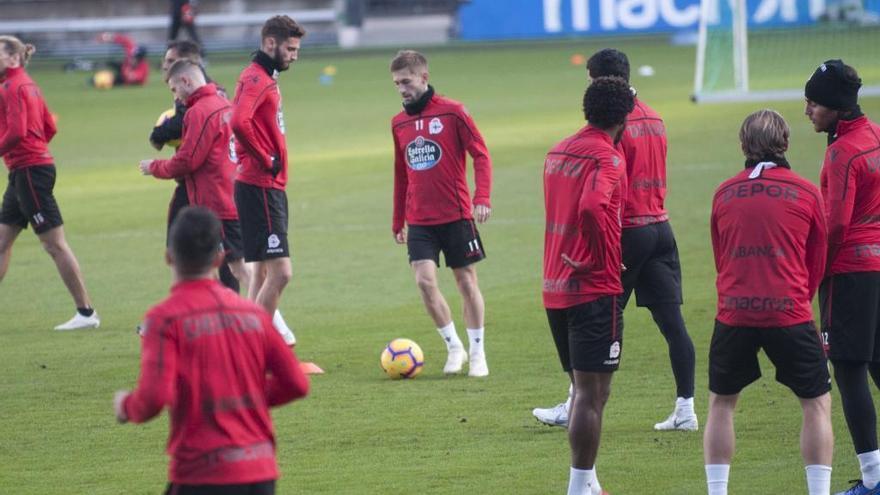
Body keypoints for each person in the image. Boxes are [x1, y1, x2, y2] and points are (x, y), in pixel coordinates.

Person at [533, 48, 697, 432]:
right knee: (673, 323)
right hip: (661, 227)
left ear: (600, 79)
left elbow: (603, 186)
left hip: (626, 233)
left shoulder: (613, 124)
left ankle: (576, 403)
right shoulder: (655, 118)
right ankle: (686, 408)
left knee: (595, 325)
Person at [113, 206, 309, 495]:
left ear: (169, 257)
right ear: (219, 258)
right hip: (260, 472)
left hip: (202, 474)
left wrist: (126, 406)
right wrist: (247, 397)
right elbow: (297, 383)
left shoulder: (165, 318)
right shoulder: (253, 315)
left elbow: (154, 397)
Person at [704, 109, 832, 495]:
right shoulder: (807, 192)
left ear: (743, 145)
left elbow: (720, 256)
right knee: (816, 404)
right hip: (789, 311)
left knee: (721, 404)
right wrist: (796, 298)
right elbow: (817, 260)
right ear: (786, 144)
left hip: (734, 312)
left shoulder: (724, 192)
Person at [543, 76, 633, 495]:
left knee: (582, 391)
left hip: (554, 285)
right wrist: (600, 257)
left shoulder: (557, 151)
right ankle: (579, 489)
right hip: (593, 288)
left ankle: (591, 484)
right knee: (593, 395)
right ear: (625, 117)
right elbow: (594, 207)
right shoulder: (608, 158)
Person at [389, 50, 492, 377]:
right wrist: (397, 219)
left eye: (406, 81)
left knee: (465, 282)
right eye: (396, 84)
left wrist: (483, 196)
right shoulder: (399, 123)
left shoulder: (453, 112)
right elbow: (401, 173)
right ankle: (454, 346)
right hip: (419, 219)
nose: (401, 89)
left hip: (456, 214)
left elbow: (481, 155)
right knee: (424, 282)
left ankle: (477, 352)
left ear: (423, 77)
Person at [805, 60, 880, 495]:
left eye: (813, 103)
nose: (808, 111)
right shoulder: (872, 136)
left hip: (851, 272)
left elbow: (835, 225)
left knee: (849, 371)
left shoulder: (842, 153)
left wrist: (817, 271)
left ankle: (871, 479)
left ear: (834, 106)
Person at [0, 36, 99, 331]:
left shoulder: (10, 87)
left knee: (54, 244)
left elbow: (17, 132)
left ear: (13, 59)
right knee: (2, 241)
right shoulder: (28, 84)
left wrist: (29, 154)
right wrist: (35, 151)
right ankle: (85, 313)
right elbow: (49, 126)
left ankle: (86, 312)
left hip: (30, 171)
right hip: (26, 170)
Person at [139, 60, 250, 293]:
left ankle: (271, 323)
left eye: (174, 89)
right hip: (230, 195)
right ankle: (225, 320)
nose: (176, 97)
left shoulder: (199, 111)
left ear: (186, 81)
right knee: (221, 268)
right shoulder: (224, 103)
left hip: (216, 202)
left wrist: (155, 167)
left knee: (238, 269)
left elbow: (188, 160)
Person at [231, 15, 304, 347]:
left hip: (264, 186)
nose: (294, 55)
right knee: (281, 273)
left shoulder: (263, 76)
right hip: (260, 185)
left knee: (260, 272)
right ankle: (255, 346)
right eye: (290, 48)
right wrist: (266, 158)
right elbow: (238, 121)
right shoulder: (256, 79)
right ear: (270, 44)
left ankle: (244, 346)